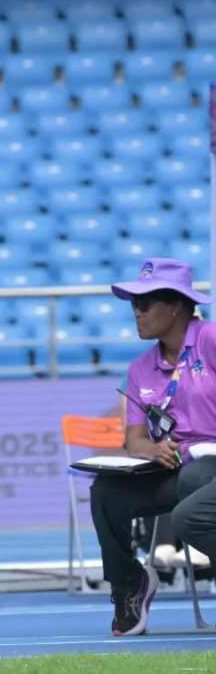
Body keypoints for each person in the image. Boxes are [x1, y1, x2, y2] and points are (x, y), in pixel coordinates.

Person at [90, 257, 216, 636]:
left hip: (210, 465)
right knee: (106, 491)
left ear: (175, 305)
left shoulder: (210, 340)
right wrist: (152, 449)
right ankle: (130, 584)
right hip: (172, 467)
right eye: (133, 304)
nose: (136, 313)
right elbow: (134, 439)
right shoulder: (140, 367)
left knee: (196, 482)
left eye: (144, 304)